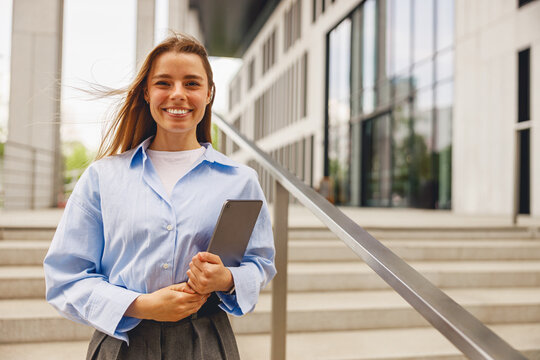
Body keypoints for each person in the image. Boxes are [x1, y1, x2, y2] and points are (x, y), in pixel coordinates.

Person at [43, 33, 276, 360]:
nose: (178, 94)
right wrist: (141, 305)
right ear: (146, 93)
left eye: (192, 83)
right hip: (123, 343)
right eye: (164, 83)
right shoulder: (102, 177)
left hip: (207, 342)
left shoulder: (240, 180)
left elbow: (261, 263)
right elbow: (64, 278)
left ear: (209, 93)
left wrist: (226, 278)